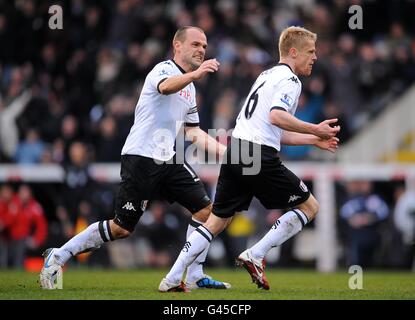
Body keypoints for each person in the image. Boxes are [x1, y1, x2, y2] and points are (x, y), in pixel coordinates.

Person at [40, 26, 230, 291]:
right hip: (141, 156)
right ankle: (59, 255)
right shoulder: (163, 70)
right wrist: (197, 74)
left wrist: (227, 153)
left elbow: (193, 132)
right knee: (121, 228)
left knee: (206, 211)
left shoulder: (190, 89)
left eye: (205, 46)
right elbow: (165, 88)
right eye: (196, 44)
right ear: (177, 45)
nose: (201, 50)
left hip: (169, 158)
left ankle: (195, 273)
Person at [159, 26, 340, 291]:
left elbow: (276, 130)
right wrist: (315, 128)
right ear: (293, 52)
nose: (314, 57)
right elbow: (276, 117)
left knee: (217, 221)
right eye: (310, 51)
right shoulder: (291, 81)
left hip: (238, 151)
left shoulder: (266, 75)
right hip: (257, 154)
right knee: (309, 207)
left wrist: (314, 140)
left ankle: (172, 278)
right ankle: (255, 254)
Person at [339, 180, 389, 268]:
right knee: (356, 263)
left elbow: (384, 212)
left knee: (372, 262)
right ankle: (357, 281)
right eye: (362, 184)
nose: (364, 186)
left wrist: (369, 218)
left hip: (372, 235)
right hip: (357, 237)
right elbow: (344, 214)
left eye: (367, 184)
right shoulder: (353, 200)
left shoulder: (375, 199)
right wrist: (354, 219)